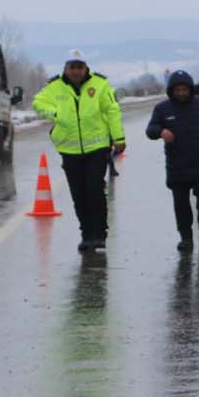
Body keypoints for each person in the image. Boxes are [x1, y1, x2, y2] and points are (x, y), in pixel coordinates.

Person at [32, 50, 126, 253]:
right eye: (72, 67)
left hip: (97, 148)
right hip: (69, 149)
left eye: (79, 67)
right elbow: (37, 103)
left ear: (86, 68)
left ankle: (99, 234)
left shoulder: (100, 85)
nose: (76, 71)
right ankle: (86, 234)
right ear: (66, 68)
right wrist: (56, 113)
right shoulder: (54, 86)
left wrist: (118, 138)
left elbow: (112, 111)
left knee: (94, 190)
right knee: (79, 194)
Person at [145, 70, 199, 251]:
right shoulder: (163, 109)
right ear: (171, 91)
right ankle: (186, 237)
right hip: (176, 164)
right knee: (181, 204)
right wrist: (160, 132)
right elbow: (150, 129)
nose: (181, 93)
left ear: (190, 89)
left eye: (184, 89)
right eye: (178, 90)